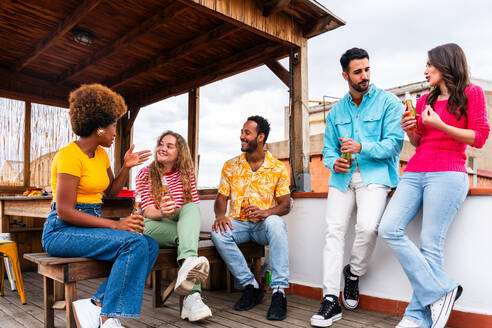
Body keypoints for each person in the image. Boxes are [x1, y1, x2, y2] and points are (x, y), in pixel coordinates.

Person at [378, 43, 490, 328]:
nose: (425, 70)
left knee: (430, 244)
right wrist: (411, 131)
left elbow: (478, 138)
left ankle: (417, 317)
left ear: (446, 64)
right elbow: (419, 143)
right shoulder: (423, 102)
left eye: (430, 64)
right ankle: (444, 289)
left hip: (448, 173)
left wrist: (441, 125)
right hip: (415, 171)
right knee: (388, 228)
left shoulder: (472, 93)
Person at [42, 84, 159, 328]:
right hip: (61, 230)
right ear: (99, 126)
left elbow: (110, 192)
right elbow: (65, 211)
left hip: (88, 224)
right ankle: (106, 316)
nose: (116, 132)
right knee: (134, 241)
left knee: (149, 245)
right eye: (114, 125)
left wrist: (126, 167)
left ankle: (96, 304)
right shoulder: (69, 157)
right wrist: (116, 225)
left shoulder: (102, 155)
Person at [310, 48, 404, 327]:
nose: (364, 76)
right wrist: (332, 162)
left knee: (367, 227)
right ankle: (330, 299)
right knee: (333, 232)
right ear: (345, 75)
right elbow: (327, 149)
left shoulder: (388, 102)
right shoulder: (337, 110)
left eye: (367, 70)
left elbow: (394, 145)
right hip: (342, 179)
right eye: (358, 72)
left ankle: (353, 272)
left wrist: (362, 147)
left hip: (375, 176)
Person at [211, 115, 291, 321]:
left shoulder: (278, 168)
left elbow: (285, 205)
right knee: (218, 232)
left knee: (276, 223)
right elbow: (221, 198)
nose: (242, 136)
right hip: (239, 225)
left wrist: (266, 213)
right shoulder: (231, 165)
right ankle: (251, 286)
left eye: (247, 133)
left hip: (263, 226)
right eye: (242, 132)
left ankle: (279, 292)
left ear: (261, 137)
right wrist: (220, 214)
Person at [135, 130, 212, 322]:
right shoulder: (145, 173)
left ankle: (191, 290)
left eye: (169, 146)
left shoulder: (185, 174)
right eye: (161, 144)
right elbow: (148, 212)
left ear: (180, 152)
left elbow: (189, 211)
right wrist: (162, 211)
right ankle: (192, 297)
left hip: (179, 224)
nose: (162, 148)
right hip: (153, 224)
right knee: (188, 239)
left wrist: (175, 211)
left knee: (192, 207)